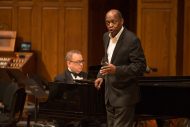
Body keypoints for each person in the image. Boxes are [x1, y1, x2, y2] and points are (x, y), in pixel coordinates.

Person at [94, 9, 147, 127]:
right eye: (108, 22)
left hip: (124, 96)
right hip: (109, 94)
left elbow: (140, 66)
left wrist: (116, 70)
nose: (110, 25)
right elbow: (106, 59)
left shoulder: (131, 39)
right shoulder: (105, 37)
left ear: (122, 21)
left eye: (114, 22)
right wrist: (101, 75)